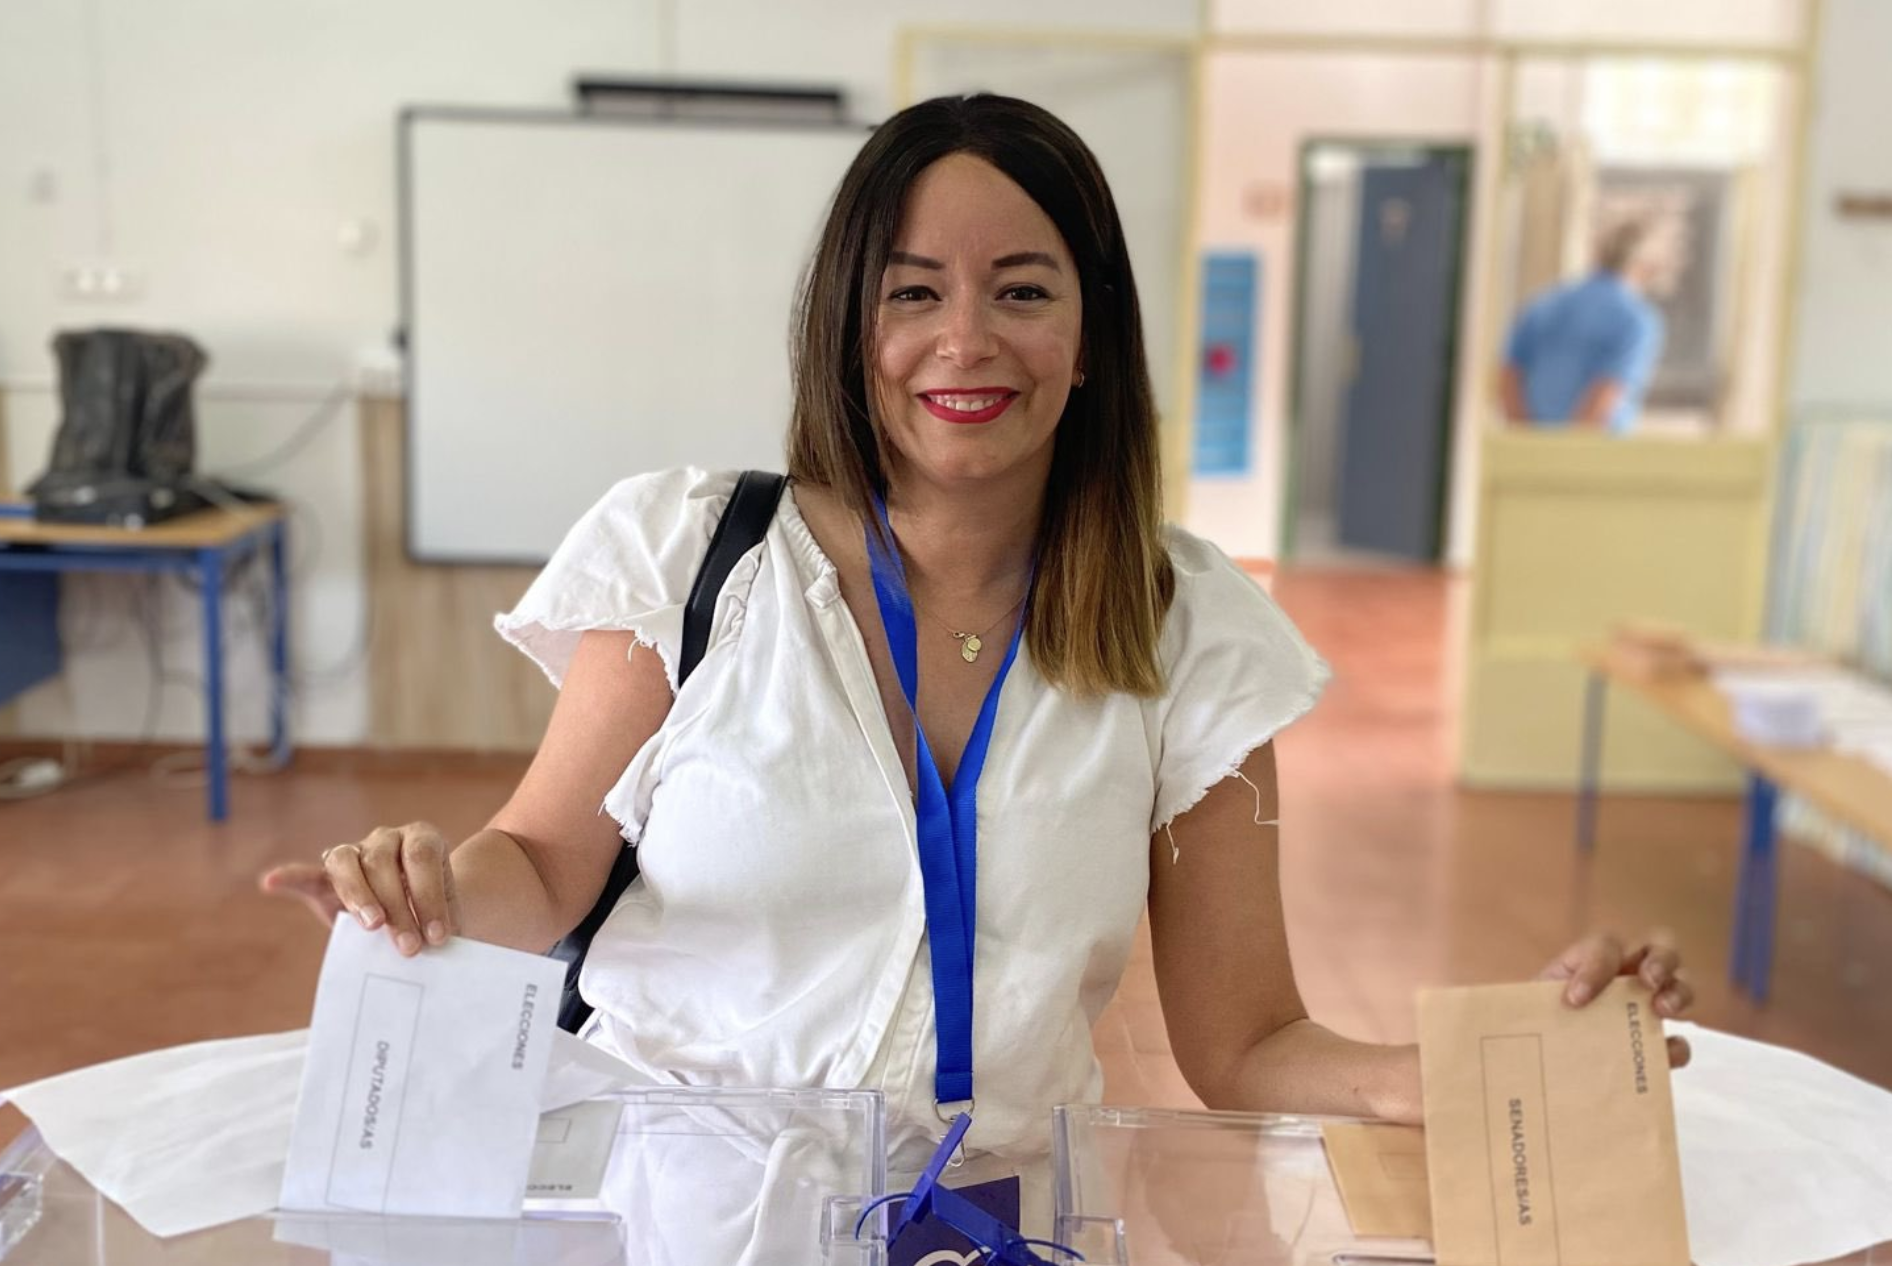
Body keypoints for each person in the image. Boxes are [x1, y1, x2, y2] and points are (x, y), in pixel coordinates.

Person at [264, 95, 1693, 1219]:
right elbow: (542, 859)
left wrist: (1468, 1068)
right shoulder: (692, 557)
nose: (964, 339)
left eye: (1021, 290)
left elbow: (1245, 1041)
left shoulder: (1186, 627)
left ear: (1089, 341)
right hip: (678, 1213)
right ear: (847, 325)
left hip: (990, 1225)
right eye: (909, 294)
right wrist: (434, 887)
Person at [1500, 218, 1668, 434]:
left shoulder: (1544, 303)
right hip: (1592, 455)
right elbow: (1605, 397)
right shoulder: (1636, 320)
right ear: (1649, 267)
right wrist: (1569, 453)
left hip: (1531, 449)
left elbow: (1509, 377)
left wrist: (1529, 444)